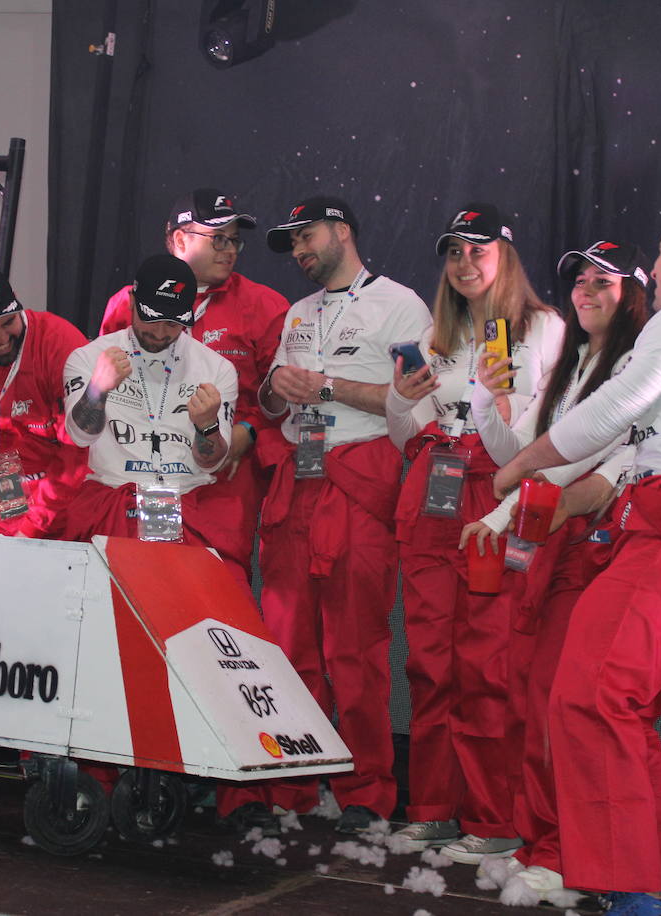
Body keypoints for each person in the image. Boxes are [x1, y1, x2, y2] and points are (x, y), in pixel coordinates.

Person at [489, 208, 661, 916]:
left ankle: (636, 889)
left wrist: (526, 462)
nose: (659, 263)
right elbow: (632, 426)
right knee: (615, 705)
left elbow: (616, 408)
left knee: (591, 694)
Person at [454, 240, 652, 907]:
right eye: (581, 281)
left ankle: (568, 853)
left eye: (605, 281)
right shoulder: (575, 363)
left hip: (601, 548)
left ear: (634, 293)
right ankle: (545, 845)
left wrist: (510, 505)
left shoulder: (639, 360)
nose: (588, 291)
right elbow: (527, 452)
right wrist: (490, 397)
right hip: (552, 545)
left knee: (564, 704)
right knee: (535, 694)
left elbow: (599, 457)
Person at [382, 205, 564, 855]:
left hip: (499, 499)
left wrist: (497, 400)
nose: (463, 264)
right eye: (453, 253)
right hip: (432, 498)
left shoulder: (541, 330)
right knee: (430, 666)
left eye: (476, 250)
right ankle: (432, 806)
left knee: (490, 666)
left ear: (506, 255)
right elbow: (404, 432)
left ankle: (494, 820)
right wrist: (404, 398)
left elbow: (532, 442)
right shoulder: (439, 334)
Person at [255, 195, 433, 834]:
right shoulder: (296, 314)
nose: (300, 250)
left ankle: (367, 793)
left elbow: (419, 401)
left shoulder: (403, 305)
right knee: (288, 648)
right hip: (295, 483)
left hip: (359, 482)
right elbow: (272, 403)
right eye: (293, 242)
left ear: (343, 231)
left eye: (307, 236)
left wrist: (327, 388)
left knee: (355, 650)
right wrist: (275, 391)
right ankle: (291, 788)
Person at [98, 189, 289, 588]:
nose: (230, 250)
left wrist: (249, 432)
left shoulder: (265, 307)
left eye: (234, 239)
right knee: (142, 594)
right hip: (146, 483)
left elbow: (281, 404)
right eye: (217, 238)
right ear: (180, 238)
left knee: (217, 604)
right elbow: (106, 393)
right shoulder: (126, 304)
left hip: (220, 494)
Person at [61, 254, 237, 546]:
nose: (158, 332)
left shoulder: (218, 369)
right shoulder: (89, 357)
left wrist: (207, 426)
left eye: (171, 323)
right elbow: (80, 435)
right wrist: (97, 389)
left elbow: (210, 464)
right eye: (151, 318)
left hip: (187, 500)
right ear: (131, 300)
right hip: (113, 497)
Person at [0, 268, 89, 538]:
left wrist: (31, 529)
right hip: (0, 488)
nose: (2, 339)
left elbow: (77, 454)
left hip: (64, 495)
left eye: (8, 321)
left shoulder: (58, 344)